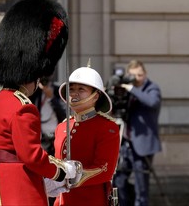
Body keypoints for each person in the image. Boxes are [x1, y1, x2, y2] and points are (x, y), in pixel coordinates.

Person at [0, 0, 81, 206]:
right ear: (34, 76)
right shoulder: (23, 107)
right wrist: (61, 172)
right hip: (19, 185)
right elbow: (32, 155)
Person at [53, 64, 121, 206]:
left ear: (95, 96)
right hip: (63, 200)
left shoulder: (107, 127)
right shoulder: (62, 127)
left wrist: (73, 177)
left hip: (91, 200)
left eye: (81, 89)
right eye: (71, 89)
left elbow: (105, 169)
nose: (74, 93)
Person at [113, 59, 162, 206]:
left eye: (140, 75)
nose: (137, 78)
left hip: (143, 145)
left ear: (145, 74)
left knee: (141, 186)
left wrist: (131, 89)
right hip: (125, 143)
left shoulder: (152, 88)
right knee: (119, 181)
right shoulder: (128, 90)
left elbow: (152, 102)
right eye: (133, 75)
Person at [30, 75, 66, 156]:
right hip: (42, 137)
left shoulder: (58, 91)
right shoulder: (35, 93)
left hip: (56, 137)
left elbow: (64, 114)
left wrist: (52, 98)